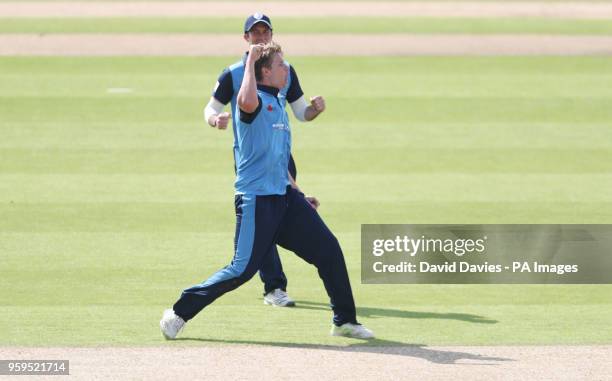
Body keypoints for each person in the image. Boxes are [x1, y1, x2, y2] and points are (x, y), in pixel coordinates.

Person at [160, 42, 374, 340]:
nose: (286, 68)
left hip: (285, 200)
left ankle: (344, 321)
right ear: (265, 72)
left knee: (329, 250)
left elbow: (278, 160)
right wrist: (249, 63)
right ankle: (179, 312)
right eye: (280, 65)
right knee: (240, 271)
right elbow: (245, 101)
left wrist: (299, 193)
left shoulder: (277, 105)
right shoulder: (254, 101)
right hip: (256, 202)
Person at [203, 13, 324, 307]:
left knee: (282, 215)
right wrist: (214, 120)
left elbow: (300, 113)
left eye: (264, 32)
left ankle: (311, 263)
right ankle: (273, 287)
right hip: (252, 158)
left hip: (281, 155)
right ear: (246, 38)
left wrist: (314, 110)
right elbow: (210, 107)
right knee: (262, 221)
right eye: (254, 33)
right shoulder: (232, 73)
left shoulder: (284, 69)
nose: (260, 37)